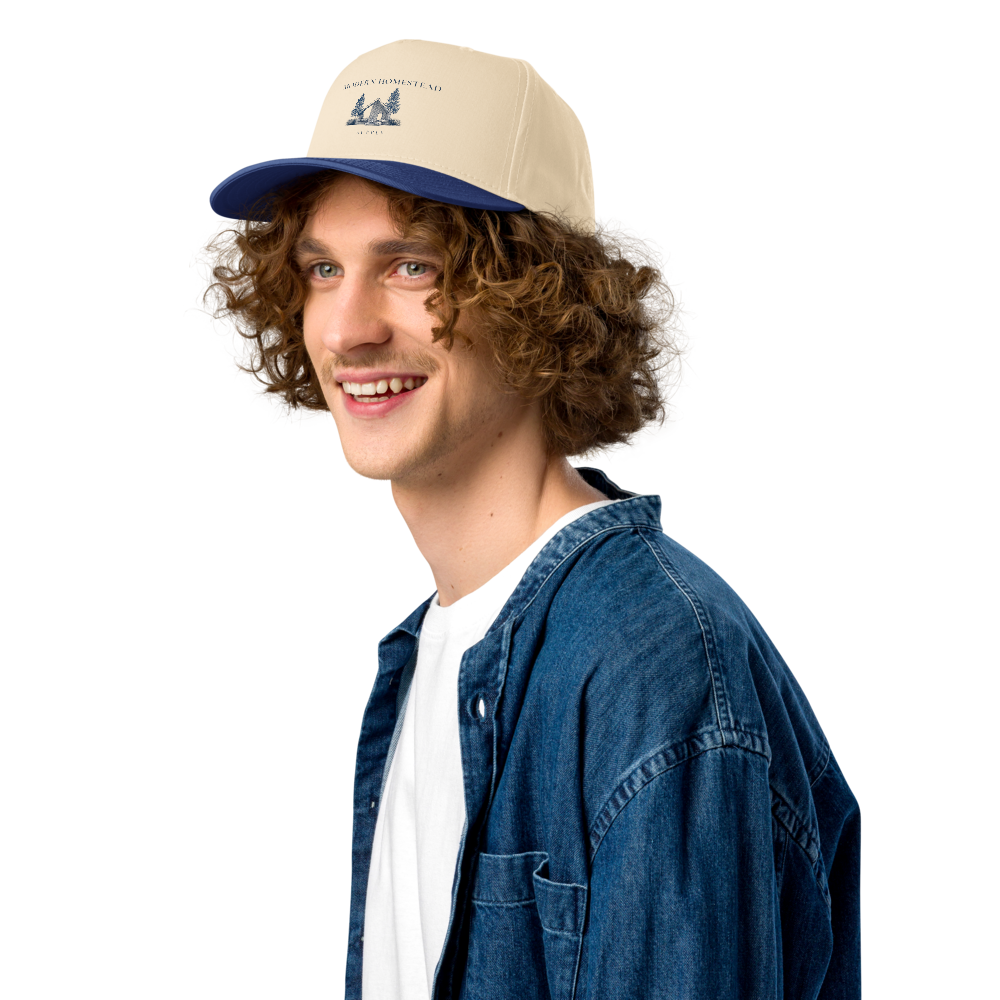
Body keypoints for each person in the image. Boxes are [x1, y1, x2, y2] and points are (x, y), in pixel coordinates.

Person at [203, 39, 861, 1000]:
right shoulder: (430, 651)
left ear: (540, 296)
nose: (346, 329)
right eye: (321, 269)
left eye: (413, 265)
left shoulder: (652, 666)